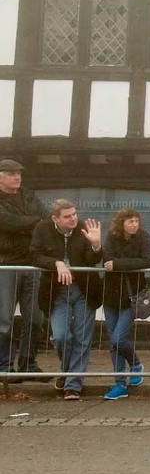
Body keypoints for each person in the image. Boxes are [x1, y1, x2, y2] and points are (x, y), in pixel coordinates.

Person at [29, 200, 102, 400]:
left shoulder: (83, 229)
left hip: (84, 290)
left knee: (81, 338)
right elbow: (34, 255)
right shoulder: (42, 229)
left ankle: (73, 385)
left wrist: (96, 245)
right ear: (55, 218)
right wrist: (56, 263)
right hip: (57, 291)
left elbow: (92, 259)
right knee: (61, 336)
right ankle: (68, 371)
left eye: (74, 214)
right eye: (67, 216)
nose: (73, 218)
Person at [99, 208, 150, 400]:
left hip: (132, 297)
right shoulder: (112, 236)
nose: (134, 225)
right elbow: (107, 259)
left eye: (136, 221)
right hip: (111, 296)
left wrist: (119, 264)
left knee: (118, 339)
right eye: (130, 221)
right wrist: (120, 263)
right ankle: (119, 383)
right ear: (121, 223)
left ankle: (136, 364)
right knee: (113, 343)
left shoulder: (143, 237)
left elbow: (148, 260)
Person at [0, 159, 47, 381]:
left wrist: (25, 224)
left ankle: (28, 364)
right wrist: (31, 223)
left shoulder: (30, 196)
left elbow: (45, 221)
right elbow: (7, 223)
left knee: (34, 318)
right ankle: (4, 366)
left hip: (32, 264)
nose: (17, 177)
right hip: (6, 265)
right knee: (4, 320)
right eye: (11, 174)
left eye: (18, 173)